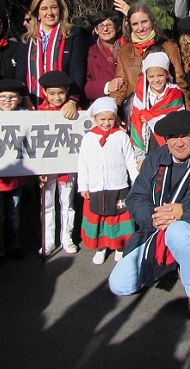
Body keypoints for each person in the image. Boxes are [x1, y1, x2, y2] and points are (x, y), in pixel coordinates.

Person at [108, 110, 190, 319]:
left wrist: (183, 211)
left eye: (184, 135)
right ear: (165, 139)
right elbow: (135, 198)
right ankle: (176, 262)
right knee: (119, 286)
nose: (178, 143)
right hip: (156, 230)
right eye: (172, 137)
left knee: (177, 231)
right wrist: (153, 217)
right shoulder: (157, 158)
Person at [77, 97, 139, 265]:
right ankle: (101, 247)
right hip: (96, 187)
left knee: (117, 216)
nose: (106, 123)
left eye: (110, 119)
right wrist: (83, 185)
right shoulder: (89, 138)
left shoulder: (121, 136)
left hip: (118, 185)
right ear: (95, 119)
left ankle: (119, 246)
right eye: (102, 119)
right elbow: (82, 163)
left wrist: (136, 183)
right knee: (99, 216)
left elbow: (130, 161)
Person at [0, 78, 29, 268]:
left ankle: (14, 245)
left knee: (14, 214)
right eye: (3, 97)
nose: (7, 100)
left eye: (12, 97)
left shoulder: (26, 117)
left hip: (17, 177)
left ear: (19, 99)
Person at [16, 0, 90, 110]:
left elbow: (78, 72)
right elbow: (20, 74)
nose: (49, 12)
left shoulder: (72, 35)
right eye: (44, 8)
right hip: (32, 103)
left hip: (64, 104)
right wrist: (24, 98)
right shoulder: (27, 40)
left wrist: (72, 100)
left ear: (61, 10)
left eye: (54, 7)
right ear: (37, 13)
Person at [109, 3, 189, 108]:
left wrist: (186, 115)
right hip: (135, 109)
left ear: (152, 21)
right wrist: (112, 110)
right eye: (135, 24)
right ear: (130, 25)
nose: (140, 28)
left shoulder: (169, 47)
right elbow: (121, 85)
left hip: (163, 108)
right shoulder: (125, 50)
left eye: (144, 22)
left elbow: (180, 84)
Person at [37, 70, 80, 256]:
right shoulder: (38, 112)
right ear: (45, 92)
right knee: (46, 204)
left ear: (67, 91)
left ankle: (67, 237)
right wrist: (38, 168)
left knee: (67, 202)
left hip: (67, 165)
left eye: (61, 93)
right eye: (52, 93)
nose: (56, 97)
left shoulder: (74, 112)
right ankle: (48, 241)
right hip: (46, 166)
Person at [129, 52, 186, 161]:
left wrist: (149, 116)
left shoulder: (174, 93)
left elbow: (177, 119)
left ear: (167, 74)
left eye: (160, 75)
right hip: (148, 142)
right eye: (151, 76)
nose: (156, 80)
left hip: (166, 143)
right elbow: (136, 122)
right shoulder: (141, 97)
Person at [84, 9, 124, 102]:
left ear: (117, 27)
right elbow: (85, 86)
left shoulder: (128, 48)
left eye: (109, 25)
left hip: (127, 103)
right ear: (96, 30)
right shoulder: (90, 53)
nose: (105, 29)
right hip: (102, 106)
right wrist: (107, 86)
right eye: (101, 26)